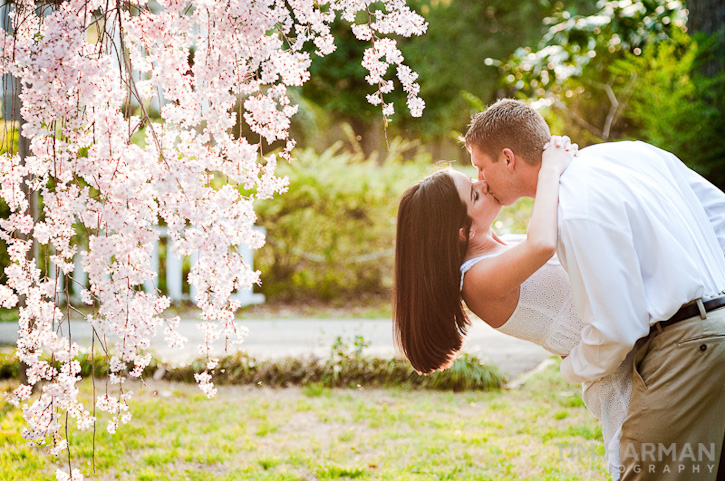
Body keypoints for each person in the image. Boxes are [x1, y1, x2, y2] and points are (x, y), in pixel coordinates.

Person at [464, 98, 725, 480]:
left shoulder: (573, 207)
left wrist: (574, 368)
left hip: (683, 352)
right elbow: (719, 215)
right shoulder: (633, 154)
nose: (480, 180)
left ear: (507, 158)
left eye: (479, 167)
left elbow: (615, 328)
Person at [393, 137, 633, 479]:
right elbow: (543, 244)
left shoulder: (501, 247)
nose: (482, 183)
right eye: (474, 194)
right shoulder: (476, 281)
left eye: (473, 178)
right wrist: (550, 166)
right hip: (624, 385)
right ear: (462, 232)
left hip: (638, 354)